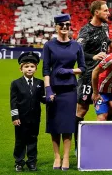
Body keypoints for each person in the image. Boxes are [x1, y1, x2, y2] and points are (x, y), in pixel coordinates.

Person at [43, 14, 86, 170]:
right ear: (56, 27)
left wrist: (69, 71)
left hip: (69, 90)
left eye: (67, 25)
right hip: (54, 89)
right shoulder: (49, 45)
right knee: (54, 125)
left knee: (67, 125)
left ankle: (66, 157)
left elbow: (83, 68)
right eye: (61, 25)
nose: (65, 27)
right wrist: (48, 89)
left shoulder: (76, 46)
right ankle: (57, 157)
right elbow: (46, 69)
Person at [74, 0, 111, 154]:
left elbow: (107, 46)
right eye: (105, 10)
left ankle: (106, 143)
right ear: (97, 12)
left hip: (105, 77)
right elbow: (77, 51)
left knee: (109, 108)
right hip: (88, 76)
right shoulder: (85, 31)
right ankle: (78, 146)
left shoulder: (105, 26)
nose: (108, 13)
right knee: (81, 110)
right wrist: (93, 56)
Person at [10, 52, 44, 172]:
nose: (29, 69)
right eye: (26, 66)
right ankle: (19, 162)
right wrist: (15, 117)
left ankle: (32, 162)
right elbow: (13, 102)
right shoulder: (16, 83)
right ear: (21, 69)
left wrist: (49, 98)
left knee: (33, 139)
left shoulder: (40, 83)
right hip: (21, 118)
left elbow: (41, 98)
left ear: (36, 68)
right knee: (20, 140)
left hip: (35, 118)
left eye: (32, 67)